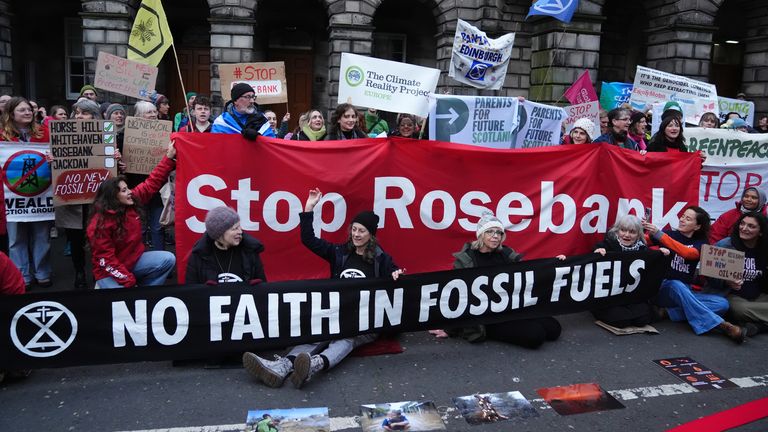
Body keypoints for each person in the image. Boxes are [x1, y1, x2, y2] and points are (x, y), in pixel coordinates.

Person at [243, 188, 403, 389]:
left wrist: (396, 274)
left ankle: (315, 365)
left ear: (371, 235)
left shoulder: (381, 259)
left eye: (362, 231)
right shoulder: (340, 253)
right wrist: (309, 208)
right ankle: (283, 366)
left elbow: (396, 275)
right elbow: (308, 240)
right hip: (336, 313)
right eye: (354, 229)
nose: (356, 234)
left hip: (363, 320)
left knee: (345, 338)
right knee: (319, 332)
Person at [446, 211, 561, 348]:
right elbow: (457, 295)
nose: (495, 236)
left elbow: (529, 272)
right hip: (487, 316)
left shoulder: (506, 254)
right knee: (535, 336)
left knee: (554, 329)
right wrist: (449, 329)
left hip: (511, 308)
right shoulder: (466, 260)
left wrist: (556, 263)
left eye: (499, 233)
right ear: (481, 234)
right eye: (490, 232)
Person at [644, 206, 748, 343]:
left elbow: (689, 254)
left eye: (688, 219)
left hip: (685, 291)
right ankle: (722, 325)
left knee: (722, 304)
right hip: (664, 289)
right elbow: (644, 241)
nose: (682, 220)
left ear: (697, 226)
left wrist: (661, 236)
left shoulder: (701, 243)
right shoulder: (669, 234)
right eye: (682, 216)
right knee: (676, 284)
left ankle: (667, 313)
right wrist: (642, 230)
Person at [87, 141, 177, 288]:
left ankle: (145, 295)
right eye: (124, 191)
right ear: (113, 197)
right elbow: (105, 261)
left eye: (127, 188)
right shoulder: (99, 224)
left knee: (168, 259)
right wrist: (129, 282)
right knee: (121, 299)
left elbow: (152, 182)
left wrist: (168, 158)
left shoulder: (132, 200)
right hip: (108, 272)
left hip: (133, 262)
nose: (129, 192)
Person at [0, 97, 52, 288]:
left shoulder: (45, 133)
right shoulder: (1, 137)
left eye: (29, 109)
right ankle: (22, 276)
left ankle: (43, 272)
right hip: (11, 196)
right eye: (22, 110)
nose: (28, 113)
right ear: (11, 113)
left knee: (42, 235)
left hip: (42, 194)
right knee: (16, 238)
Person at [54, 98, 102, 289]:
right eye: (77, 112)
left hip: (97, 199)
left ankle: (99, 273)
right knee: (75, 238)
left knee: (99, 238)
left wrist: (116, 160)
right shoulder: (62, 134)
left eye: (85, 112)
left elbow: (112, 167)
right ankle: (80, 272)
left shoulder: (105, 134)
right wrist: (53, 159)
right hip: (73, 199)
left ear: (94, 116)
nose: (80, 116)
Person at [592, 215, 669, 327]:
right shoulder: (608, 245)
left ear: (638, 234)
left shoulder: (642, 248)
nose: (627, 235)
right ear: (617, 231)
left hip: (632, 297)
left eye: (632, 232)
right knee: (621, 321)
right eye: (623, 230)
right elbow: (592, 260)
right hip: (610, 297)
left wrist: (660, 253)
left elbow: (651, 259)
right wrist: (597, 251)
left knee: (642, 319)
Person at [712, 212, 768, 336]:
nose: (744, 228)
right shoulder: (725, 245)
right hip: (732, 297)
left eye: (751, 226)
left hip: (759, 297)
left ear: (761, 232)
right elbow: (707, 276)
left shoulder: (764, 248)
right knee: (739, 310)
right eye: (742, 224)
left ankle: (759, 327)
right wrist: (726, 281)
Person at [185, 206, 266, 284]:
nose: (240, 232)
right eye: (235, 229)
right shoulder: (199, 256)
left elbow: (263, 289)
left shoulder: (249, 251)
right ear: (219, 233)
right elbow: (191, 291)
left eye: (239, 227)